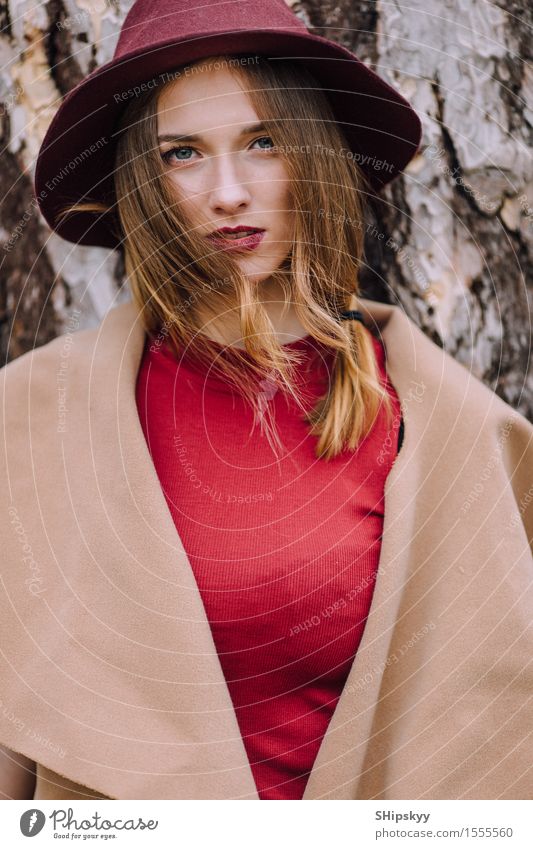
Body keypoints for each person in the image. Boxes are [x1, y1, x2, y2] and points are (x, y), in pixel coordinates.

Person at [1, 0, 532, 802]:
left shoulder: (459, 438)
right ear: (146, 183)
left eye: (261, 141)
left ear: (312, 155)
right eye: (182, 153)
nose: (225, 192)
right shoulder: (29, 423)